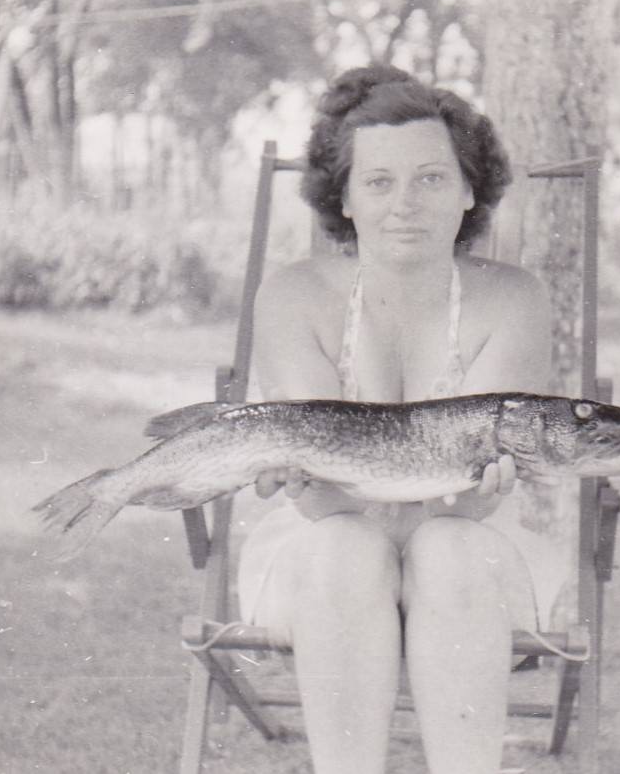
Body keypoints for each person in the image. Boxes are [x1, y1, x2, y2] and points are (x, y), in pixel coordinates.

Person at [235, 64, 554, 774]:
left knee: (448, 549)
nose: (404, 203)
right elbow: (320, 494)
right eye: (378, 181)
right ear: (342, 198)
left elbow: (474, 490)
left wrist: (458, 499)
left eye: (431, 178)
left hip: (478, 538)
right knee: (349, 548)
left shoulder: (515, 300)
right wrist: (314, 486)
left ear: (470, 189)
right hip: (322, 541)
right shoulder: (292, 296)